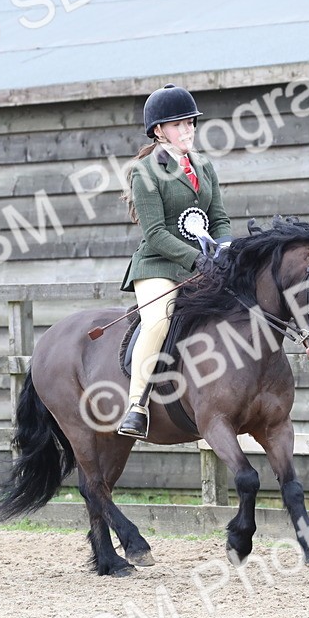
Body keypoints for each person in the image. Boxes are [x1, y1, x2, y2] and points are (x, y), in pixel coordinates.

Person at [117, 83, 232, 439]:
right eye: (179, 125)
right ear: (159, 131)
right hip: (158, 265)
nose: (188, 131)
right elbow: (155, 233)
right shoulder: (144, 172)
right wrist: (198, 259)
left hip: (204, 263)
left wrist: (225, 249)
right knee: (158, 321)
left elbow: (220, 218)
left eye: (191, 124)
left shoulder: (204, 166)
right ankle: (136, 406)